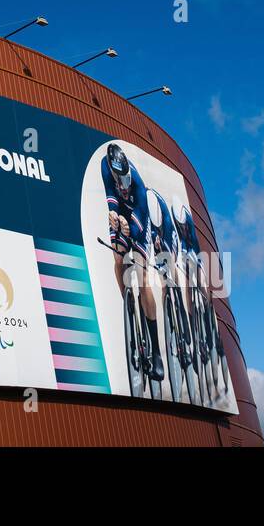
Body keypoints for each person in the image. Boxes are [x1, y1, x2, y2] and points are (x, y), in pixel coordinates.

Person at [100, 143, 163, 382]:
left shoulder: (137, 182)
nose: (123, 186)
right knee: (118, 257)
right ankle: (128, 304)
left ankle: (156, 352)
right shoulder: (105, 167)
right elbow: (110, 193)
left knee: (142, 273)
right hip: (121, 212)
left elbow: (140, 215)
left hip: (138, 216)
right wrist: (113, 213)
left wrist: (129, 225)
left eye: (124, 183)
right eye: (120, 182)